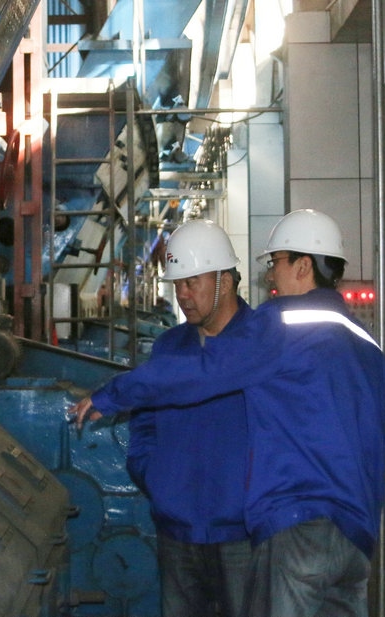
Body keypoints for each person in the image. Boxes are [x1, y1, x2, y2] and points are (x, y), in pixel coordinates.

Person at [70, 209, 385, 617]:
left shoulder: (280, 325)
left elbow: (204, 372)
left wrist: (111, 395)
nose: (270, 275)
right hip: (356, 532)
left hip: (297, 522)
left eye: (276, 262)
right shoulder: (366, 343)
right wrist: (159, 479)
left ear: (304, 266)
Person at [126, 220, 253, 617]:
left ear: (224, 281)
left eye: (191, 282)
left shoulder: (261, 344)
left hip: (244, 533)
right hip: (177, 530)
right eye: (178, 284)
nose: (182, 294)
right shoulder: (169, 347)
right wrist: (156, 478)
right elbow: (144, 422)